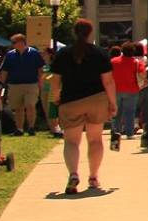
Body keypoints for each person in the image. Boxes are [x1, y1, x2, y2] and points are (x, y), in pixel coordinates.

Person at [49, 19, 115, 195]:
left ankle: (73, 174)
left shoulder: (63, 54)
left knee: (71, 141)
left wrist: (55, 99)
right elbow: (108, 81)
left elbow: (55, 82)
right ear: (90, 33)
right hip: (97, 99)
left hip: (70, 101)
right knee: (95, 140)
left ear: (74, 32)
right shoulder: (100, 53)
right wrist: (112, 102)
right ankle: (93, 177)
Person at [0, 33, 45, 135]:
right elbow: (4, 71)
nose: (13, 44)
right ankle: (19, 129)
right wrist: (1, 84)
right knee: (18, 108)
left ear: (21, 42)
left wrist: (41, 82)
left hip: (31, 84)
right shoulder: (10, 55)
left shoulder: (34, 53)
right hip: (14, 85)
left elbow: (40, 69)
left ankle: (31, 127)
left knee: (30, 105)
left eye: (14, 42)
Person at [109, 40, 147, 146]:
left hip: (116, 90)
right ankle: (129, 133)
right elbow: (143, 74)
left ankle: (116, 131)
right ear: (133, 52)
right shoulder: (136, 62)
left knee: (117, 112)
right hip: (132, 89)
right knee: (130, 112)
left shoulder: (113, 61)